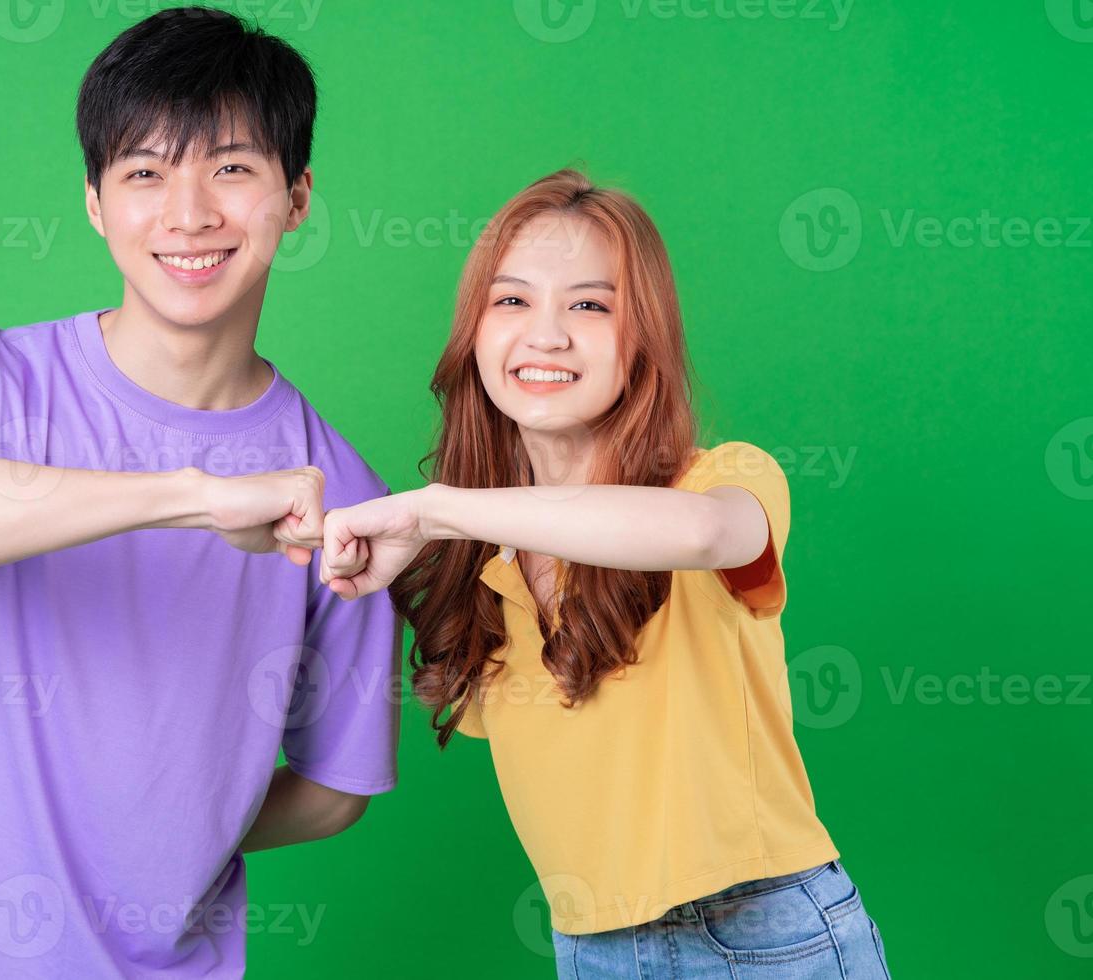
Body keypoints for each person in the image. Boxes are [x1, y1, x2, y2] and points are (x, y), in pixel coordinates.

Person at [0, 9, 399, 978]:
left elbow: (337, 788)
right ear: (94, 200)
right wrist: (193, 496)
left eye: (233, 167)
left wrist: (155, 827)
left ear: (297, 198)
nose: (189, 213)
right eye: (144, 172)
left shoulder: (339, 494)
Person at [318, 170, 891, 977]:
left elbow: (700, 535)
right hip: (592, 948)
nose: (546, 335)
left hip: (765, 932)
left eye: (590, 305)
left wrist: (443, 510)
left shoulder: (721, 481)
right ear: (472, 332)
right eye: (511, 301)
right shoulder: (477, 570)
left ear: (643, 337)